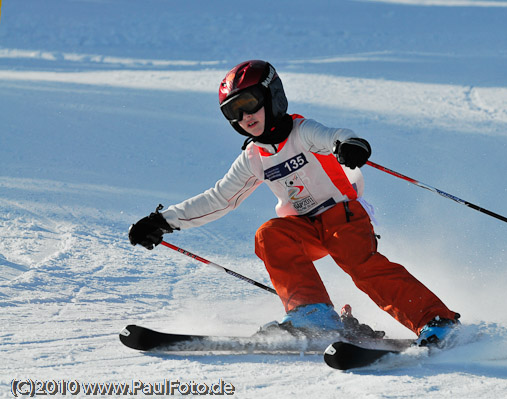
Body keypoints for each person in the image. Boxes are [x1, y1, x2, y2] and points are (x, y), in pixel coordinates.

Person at [128, 60, 460, 346]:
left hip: (342, 217)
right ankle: (313, 316)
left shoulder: (302, 131)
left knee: (360, 265)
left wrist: (350, 144)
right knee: (270, 234)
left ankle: (436, 321)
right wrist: (163, 221)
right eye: (233, 111)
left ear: (271, 96)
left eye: (249, 102)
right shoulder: (254, 157)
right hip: (304, 227)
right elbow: (220, 198)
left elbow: (333, 136)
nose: (244, 116)